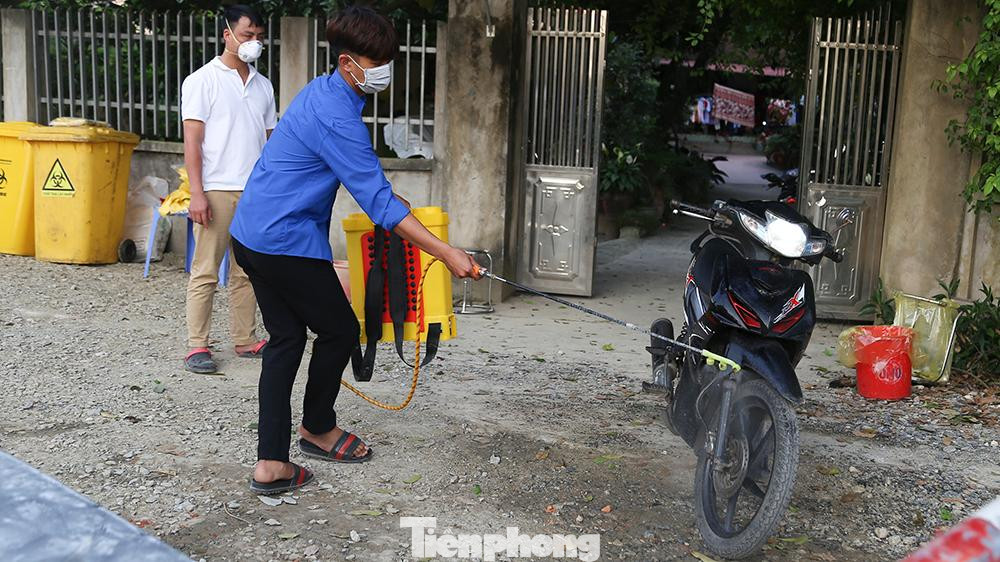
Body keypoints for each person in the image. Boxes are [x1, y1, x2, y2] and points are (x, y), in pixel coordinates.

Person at [229, 5, 480, 494]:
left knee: (285, 341)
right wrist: (446, 252)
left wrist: (387, 197)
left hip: (252, 234)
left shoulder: (325, 91)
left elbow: (365, 182)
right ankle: (317, 428)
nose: (384, 70)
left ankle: (271, 464)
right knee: (340, 329)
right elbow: (380, 202)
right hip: (284, 243)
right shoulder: (336, 115)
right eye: (375, 60)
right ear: (349, 63)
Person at [181, 4, 274, 375]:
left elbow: (271, 144)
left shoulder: (263, 85)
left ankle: (245, 339)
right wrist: (197, 192)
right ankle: (196, 346)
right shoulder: (201, 81)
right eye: (248, 35)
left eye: (259, 37)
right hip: (216, 190)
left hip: (254, 193)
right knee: (205, 270)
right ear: (228, 35)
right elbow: (192, 142)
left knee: (247, 271)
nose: (254, 43)